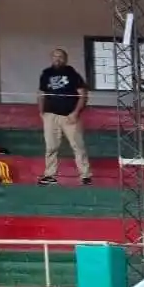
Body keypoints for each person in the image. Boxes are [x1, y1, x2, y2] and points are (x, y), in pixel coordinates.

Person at [36, 48, 91, 185]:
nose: (57, 59)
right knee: (51, 147)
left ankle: (85, 175)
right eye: (55, 56)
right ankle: (50, 175)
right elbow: (41, 94)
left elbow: (83, 95)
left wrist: (75, 113)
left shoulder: (72, 73)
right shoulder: (46, 73)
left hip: (69, 116)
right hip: (51, 115)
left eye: (60, 56)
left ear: (65, 59)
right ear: (51, 58)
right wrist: (41, 112)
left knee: (78, 146)